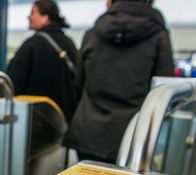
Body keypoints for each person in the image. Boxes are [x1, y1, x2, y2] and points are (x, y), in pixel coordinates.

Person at [64, 0, 174, 164]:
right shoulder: (158, 36)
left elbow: (79, 82)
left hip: (89, 129)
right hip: (133, 132)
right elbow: (163, 87)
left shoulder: (93, 33)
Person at [6, 0, 78, 121]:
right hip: (65, 119)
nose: (29, 17)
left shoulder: (32, 44)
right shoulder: (69, 43)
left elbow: (12, 82)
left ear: (45, 17)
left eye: (33, 12)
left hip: (36, 119)